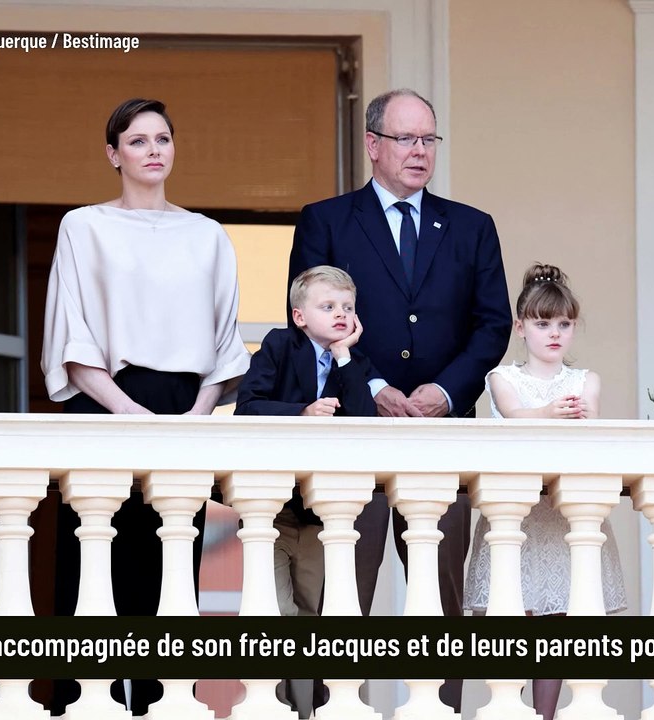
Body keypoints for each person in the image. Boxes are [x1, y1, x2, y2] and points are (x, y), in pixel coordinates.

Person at [288, 88, 512, 711]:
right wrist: (374, 386)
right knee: (343, 593)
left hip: (442, 439)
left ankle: (438, 710)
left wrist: (444, 390)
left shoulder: (472, 226)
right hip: (352, 435)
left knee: (441, 599)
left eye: (428, 140)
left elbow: (493, 324)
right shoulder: (326, 221)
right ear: (373, 145)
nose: (420, 152)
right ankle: (330, 710)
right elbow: (310, 320)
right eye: (407, 138)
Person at [40, 97, 250, 714]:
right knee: (93, 574)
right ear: (113, 154)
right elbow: (73, 337)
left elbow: (225, 343)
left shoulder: (208, 235)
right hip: (104, 405)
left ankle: (161, 708)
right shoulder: (83, 226)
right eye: (138, 141)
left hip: (184, 412)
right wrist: (127, 412)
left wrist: (197, 414)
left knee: (171, 574)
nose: (154, 150)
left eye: (163, 138)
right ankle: (80, 705)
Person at [463, 263, 627, 720]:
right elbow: (514, 414)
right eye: (542, 323)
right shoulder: (502, 378)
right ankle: (510, 710)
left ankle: (546, 715)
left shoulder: (585, 379)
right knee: (514, 620)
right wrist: (551, 411)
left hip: (563, 517)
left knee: (559, 627)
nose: (554, 333)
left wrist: (574, 415)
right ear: (521, 327)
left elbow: (588, 419)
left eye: (564, 324)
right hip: (517, 517)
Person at [235, 265, 378, 717]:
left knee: (314, 615)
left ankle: (308, 709)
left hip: (322, 517)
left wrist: (344, 357)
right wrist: (302, 412)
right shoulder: (279, 345)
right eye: (328, 306)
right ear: (300, 317)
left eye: (348, 307)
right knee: (274, 612)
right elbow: (248, 407)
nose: (341, 314)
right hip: (272, 511)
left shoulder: (353, 360)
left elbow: (365, 422)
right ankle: (271, 706)